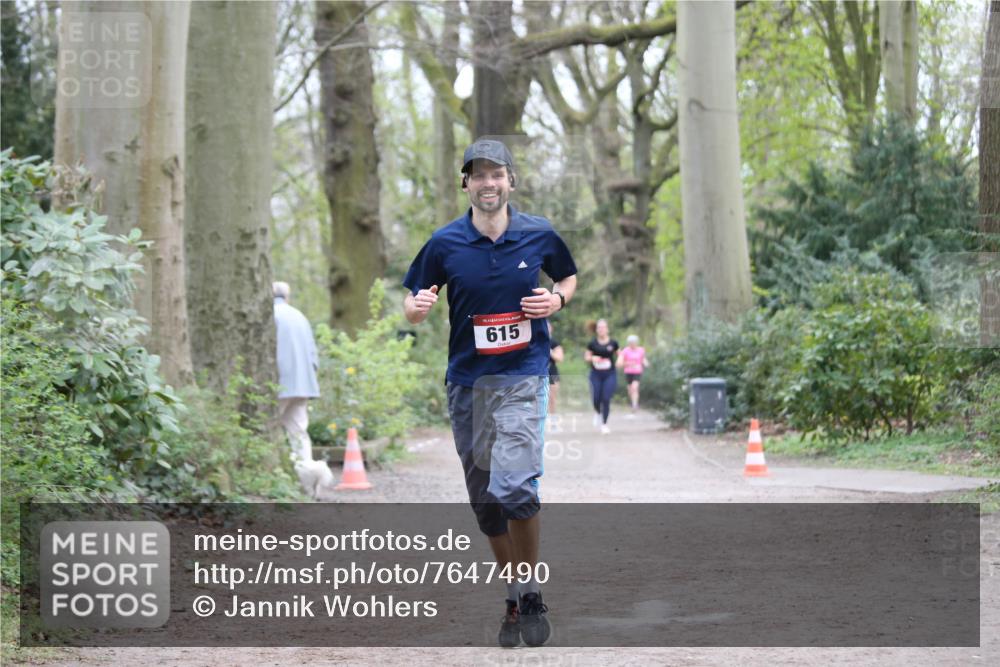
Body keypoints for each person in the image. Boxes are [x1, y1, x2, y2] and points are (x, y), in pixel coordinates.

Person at [403, 138, 578, 648]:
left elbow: (567, 276)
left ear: (511, 181)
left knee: (516, 486)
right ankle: (515, 590)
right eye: (477, 175)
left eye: (496, 174)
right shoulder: (445, 243)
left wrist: (557, 299)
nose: (487, 183)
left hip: (523, 376)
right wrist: (415, 311)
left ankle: (530, 591)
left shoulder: (538, 233)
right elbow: (413, 297)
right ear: (466, 184)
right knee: (485, 504)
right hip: (468, 384)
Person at [272, 282, 320, 462]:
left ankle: (275, 470)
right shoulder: (299, 316)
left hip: (279, 382)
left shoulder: (271, 315)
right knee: (299, 431)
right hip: (303, 384)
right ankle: (305, 471)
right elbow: (313, 354)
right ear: (287, 296)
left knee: (269, 427)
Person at [584, 319, 619, 434]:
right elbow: (587, 357)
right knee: (596, 398)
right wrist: (592, 358)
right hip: (596, 374)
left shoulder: (613, 343)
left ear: (607, 329)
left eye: (603, 327)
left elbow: (620, 355)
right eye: (599, 327)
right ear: (597, 330)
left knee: (606, 398)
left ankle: (604, 424)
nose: (601, 329)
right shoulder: (592, 343)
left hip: (610, 374)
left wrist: (620, 361)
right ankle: (597, 412)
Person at [617, 334, 650, 415]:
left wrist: (646, 363)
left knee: (634, 387)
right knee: (630, 390)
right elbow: (620, 363)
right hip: (628, 372)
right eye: (631, 342)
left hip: (637, 372)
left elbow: (643, 359)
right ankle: (633, 402)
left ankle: (635, 405)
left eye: (634, 342)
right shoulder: (625, 351)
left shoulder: (641, 350)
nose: (632, 344)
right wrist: (628, 363)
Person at [547, 321, 564, 418]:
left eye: (548, 327)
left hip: (552, 373)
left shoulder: (554, 343)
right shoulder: (535, 341)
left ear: (551, 329)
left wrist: (550, 352)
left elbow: (560, 358)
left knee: (552, 398)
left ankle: (553, 421)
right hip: (537, 374)